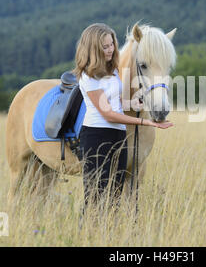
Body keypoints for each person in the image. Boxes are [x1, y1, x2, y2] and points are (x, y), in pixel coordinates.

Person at [73, 23, 173, 210]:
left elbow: (114, 102)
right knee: (96, 197)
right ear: (94, 48)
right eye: (105, 46)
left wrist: (131, 104)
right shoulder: (89, 76)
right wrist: (145, 121)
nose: (111, 49)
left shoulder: (112, 73)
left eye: (112, 44)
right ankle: (87, 235)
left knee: (115, 198)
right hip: (97, 136)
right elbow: (109, 114)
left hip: (117, 137)